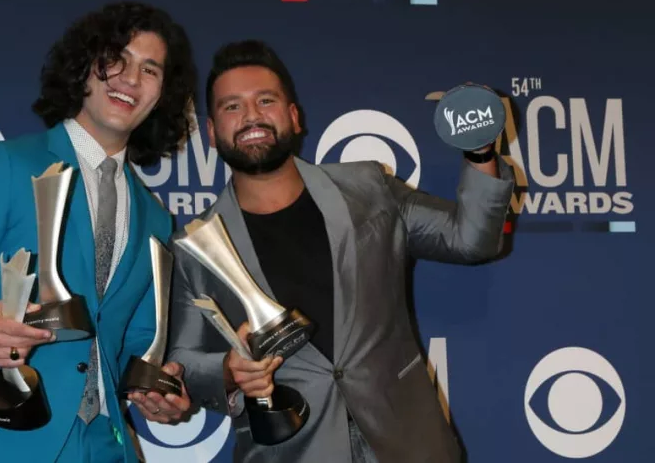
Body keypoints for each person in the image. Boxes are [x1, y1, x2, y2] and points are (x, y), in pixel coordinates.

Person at [166, 40, 515, 463]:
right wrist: (228, 371)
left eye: (265, 100)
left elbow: (471, 239)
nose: (252, 116)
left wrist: (480, 150)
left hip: (409, 444)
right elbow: (184, 360)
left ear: (294, 117)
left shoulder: (368, 187)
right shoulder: (196, 245)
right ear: (211, 131)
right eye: (232, 107)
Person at [0, 1, 198, 463]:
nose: (131, 78)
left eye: (150, 69)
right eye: (117, 59)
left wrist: (157, 391)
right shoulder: (6, 164)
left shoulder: (155, 218)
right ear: (84, 67)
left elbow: (132, 345)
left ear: (162, 93)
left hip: (106, 446)